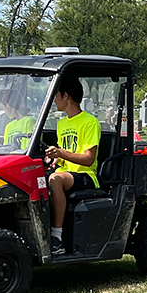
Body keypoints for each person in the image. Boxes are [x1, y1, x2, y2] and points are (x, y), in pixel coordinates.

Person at [45, 76, 101, 255]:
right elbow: (65, 154)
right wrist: (54, 160)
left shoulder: (90, 122)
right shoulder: (61, 124)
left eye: (56, 96)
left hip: (85, 175)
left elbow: (88, 159)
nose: (54, 100)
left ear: (66, 96)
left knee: (55, 180)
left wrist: (61, 153)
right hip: (66, 173)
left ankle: (57, 238)